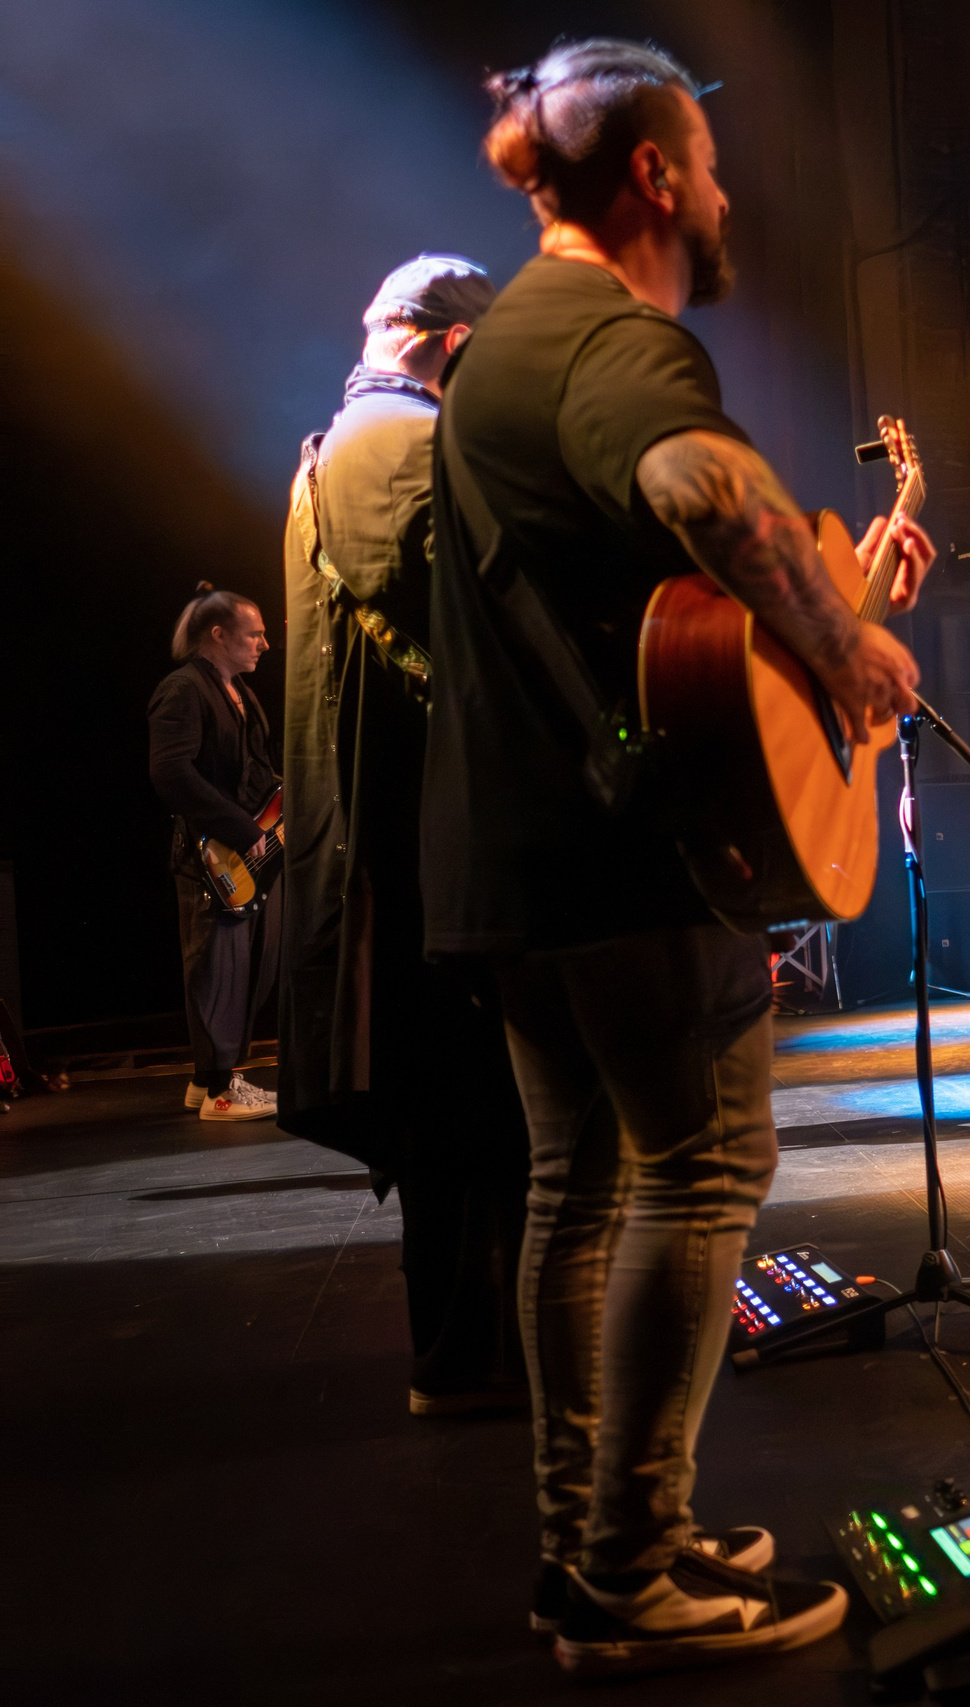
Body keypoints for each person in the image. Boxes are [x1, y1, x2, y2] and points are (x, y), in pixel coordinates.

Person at [427, 39, 936, 1671]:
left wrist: (824, 613)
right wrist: (844, 648)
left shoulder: (511, 337)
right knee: (704, 1170)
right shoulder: (607, 336)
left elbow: (664, 615)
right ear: (655, 175)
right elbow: (694, 481)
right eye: (709, 167)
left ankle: (591, 1545)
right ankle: (633, 1567)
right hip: (625, 859)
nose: (726, 196)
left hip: (520, 852)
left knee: (576, 1190)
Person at [278, 253, 535, 1418]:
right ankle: (476, 1360)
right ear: (456, 347)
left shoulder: (343, 443)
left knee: (462, 1126)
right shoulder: (399, 445)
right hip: (425, 862)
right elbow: (472, 614)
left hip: (401, 860)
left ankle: (474, 1358)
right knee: (477, 1125)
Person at [148, 584, 281, 1121]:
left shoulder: (237, 691)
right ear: (218, 635)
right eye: (255, 634)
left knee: (239, 966)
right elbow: (170, 772)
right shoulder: (183, 690)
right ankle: (223, 1092)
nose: (265, 645)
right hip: (210, 855)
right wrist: (240, 828)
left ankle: (208, 1081)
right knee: (215, 969)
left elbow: (251, 770)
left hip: (242, 850)